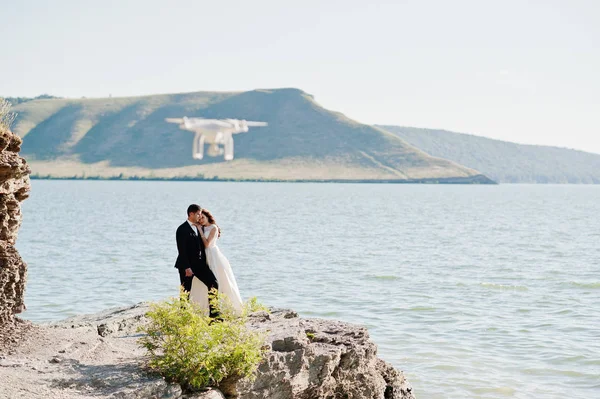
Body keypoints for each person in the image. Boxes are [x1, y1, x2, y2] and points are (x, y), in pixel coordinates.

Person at [197, 209, 243, 316]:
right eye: (200, 218)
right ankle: (204, 308)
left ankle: (222, 307)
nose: (201, 220)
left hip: (213, 254)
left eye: (203, 217)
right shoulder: (201, 227)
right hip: (204, 255)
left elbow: (207, 244)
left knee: (219, 279)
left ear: (208, 217)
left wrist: (200, 231)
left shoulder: (213, 227)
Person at [174, 204, 218, 316]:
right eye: (198, 214)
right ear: (191, 214)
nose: (200, 216)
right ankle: (183, 316)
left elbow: (203, 247)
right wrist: (187, 268)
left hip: (199, 265)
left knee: (213, 283)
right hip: (186, 266)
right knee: (185, 292)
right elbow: (181, 250)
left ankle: (214, 315)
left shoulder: (199, 227)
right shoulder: (182, 229)